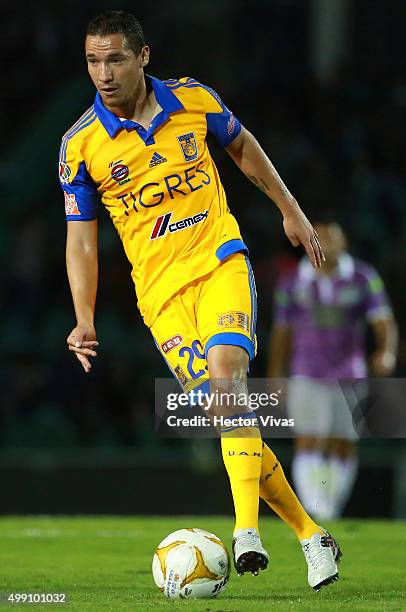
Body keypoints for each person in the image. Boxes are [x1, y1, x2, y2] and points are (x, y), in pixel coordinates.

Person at [61, 10, 341, 589]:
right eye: (93, 59)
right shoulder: (79, 146)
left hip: (219, 262)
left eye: (114, 58)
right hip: (160, 296)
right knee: (226, 412)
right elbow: (82, 240)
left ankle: (245, 533)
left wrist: (290, 209)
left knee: (227, 378)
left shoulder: (193, 100)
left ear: (143, 57)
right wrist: (83, 316)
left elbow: (243, 147)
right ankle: (314, 537)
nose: (103, 72)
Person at [268, 220, 398, 519]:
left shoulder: (364, 278)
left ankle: (332, 508)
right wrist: (277, 373)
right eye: (320, 238)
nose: (326, 245)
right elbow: (282, 331)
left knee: (343, 442)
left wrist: (386, 351)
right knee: (309, 438)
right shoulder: (292, 281)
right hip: (306, 371)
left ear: (344, 244)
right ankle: (314, 509)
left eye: (332, 239)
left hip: (349, 373)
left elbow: (383, 320)